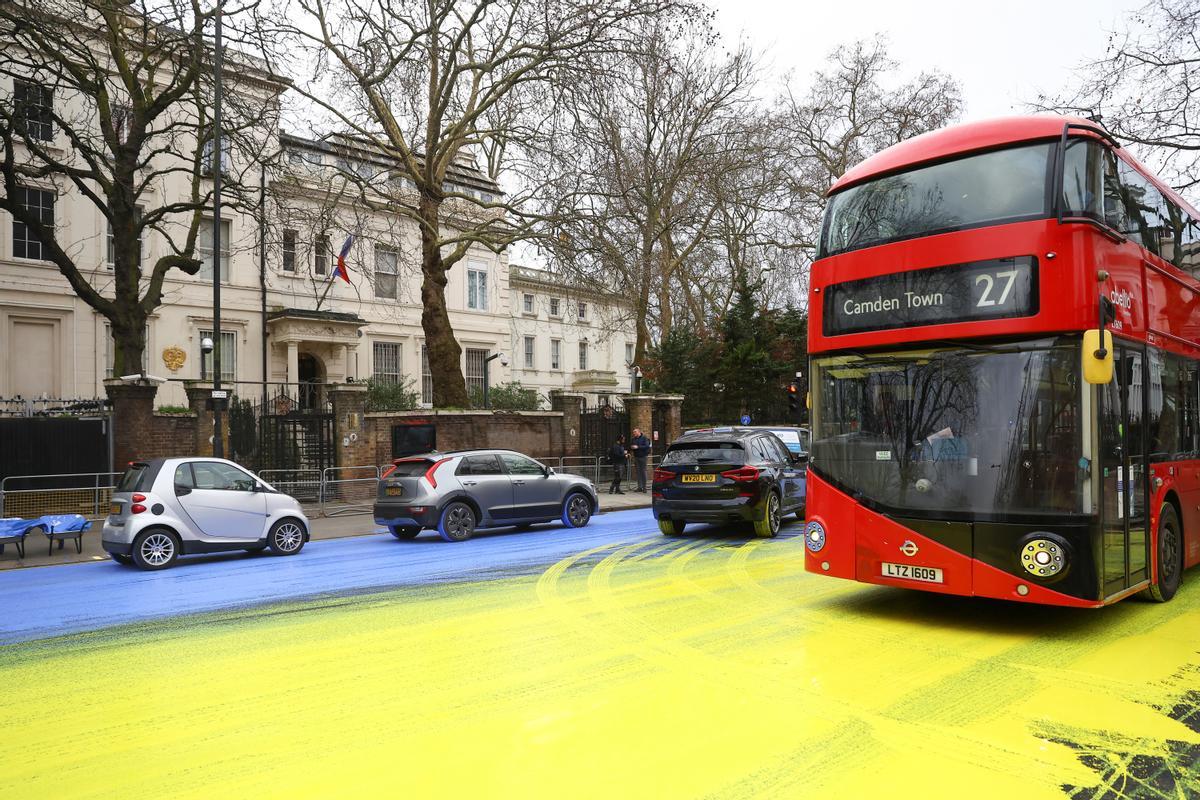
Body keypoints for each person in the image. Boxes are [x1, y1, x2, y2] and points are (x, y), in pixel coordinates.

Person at [629, 427, 652, 492]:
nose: (634, 433)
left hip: (643, 456)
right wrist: (631, 447)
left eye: (635, 432)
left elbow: (647, 446)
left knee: (643, 471)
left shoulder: (644, 438)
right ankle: (639, 487)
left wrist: (638, 447)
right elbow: (630, 445)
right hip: (636, 457)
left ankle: (644, 487)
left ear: (639, 432)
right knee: (638, 472)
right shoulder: (633, 439)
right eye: (633, 432)